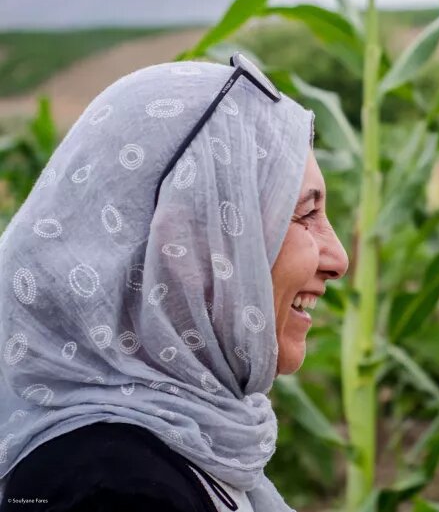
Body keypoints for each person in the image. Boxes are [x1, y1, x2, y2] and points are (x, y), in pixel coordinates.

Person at [0, 54, 349, 511]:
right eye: (303, 214)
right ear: (188, 247)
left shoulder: (180, 443)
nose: (339, 258)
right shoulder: (112, 490)